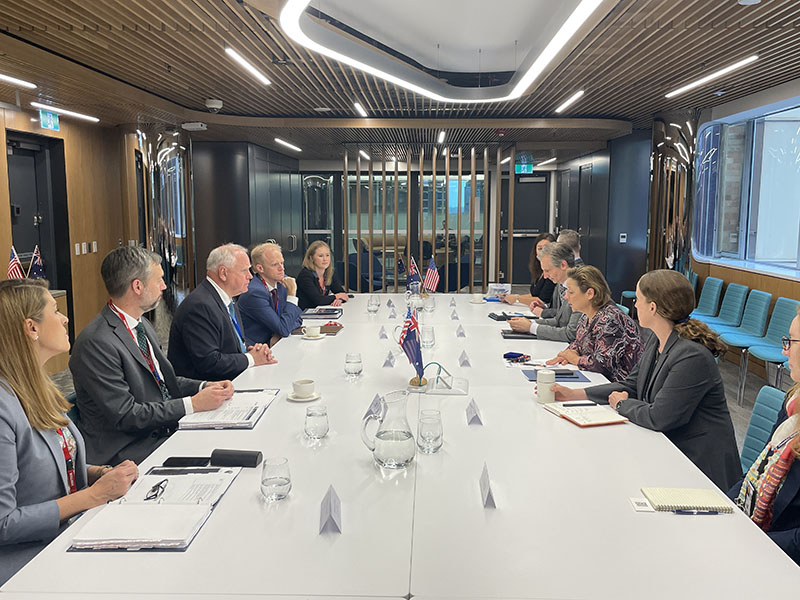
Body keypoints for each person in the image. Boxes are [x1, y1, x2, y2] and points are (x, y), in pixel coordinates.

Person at [0, 279, 138, 585]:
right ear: (31, 328)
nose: (65, 318)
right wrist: (94, 495)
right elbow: (3, 524)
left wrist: (98, 474)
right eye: (56, 310)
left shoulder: (37, 387)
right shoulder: (3, 407)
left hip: (69, 535)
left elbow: (42, 469)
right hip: (28, 565)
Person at [552, 269, 740, 491]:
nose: (635, 306)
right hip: (667, 448)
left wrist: (621, 404)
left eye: (639, 301)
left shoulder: (692, 356)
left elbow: (660, 416)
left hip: (698, 468)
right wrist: (575, 394)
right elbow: (632, 385)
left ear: (653, 307)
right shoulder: (658, 340)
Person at [70, 247, 234, 465]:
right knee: (220, 457)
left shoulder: (141, 324)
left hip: (158, 430)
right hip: (127, 449)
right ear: (137, 286)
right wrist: (192, 404)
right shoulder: (96, 343)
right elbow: (126, 415)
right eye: (159, 280)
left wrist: (203, 386)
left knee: (229, 441)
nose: (165, 287)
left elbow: (164, 382)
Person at [728, 304, 800, 564]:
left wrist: (750, 543)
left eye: (790, 342)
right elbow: (758, 469)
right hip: (760, 536)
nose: (784, 350)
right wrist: (726, 509)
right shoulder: (793, 401)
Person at [169, 244, 276, 381]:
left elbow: (229, 346)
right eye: (244, 271)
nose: (250, 276)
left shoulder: (227, 298)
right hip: (208, 391)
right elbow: (209, 362)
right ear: (223, 273)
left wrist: (252, 351)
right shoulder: (200, 306)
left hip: (231, 380)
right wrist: (251, 358)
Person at [546, 265, 643, 382]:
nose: (566, 297)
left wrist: (575, 359)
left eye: (571, 292)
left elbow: (602, 365)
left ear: (590, 293)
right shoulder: (586, 315)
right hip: (596, 381)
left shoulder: (610, 319)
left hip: (617, 389)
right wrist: (569, 353)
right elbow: (579, 342)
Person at [508, 242, 580, 342]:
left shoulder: (580, 287)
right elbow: (558, 321)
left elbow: (571, 333)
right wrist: (529, 323)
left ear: (563, 265)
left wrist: (531, 328)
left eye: (547, 270)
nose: (545, 276)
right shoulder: (561, 284)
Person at [238, 242, 302, 346]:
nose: (282, 268)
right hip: (257, 349)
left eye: (282, 263)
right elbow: (284, 328)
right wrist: (292, 295)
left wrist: (280, 331)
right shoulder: (254, 292)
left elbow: (298, 318)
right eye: (275, 264)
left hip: (277, 343)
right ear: (260, 269)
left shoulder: (282, 283)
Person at [501, 232, 556, 307]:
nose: (543, 252)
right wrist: (510, 297)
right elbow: (534, 294)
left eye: (546, 248)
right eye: (540, 248)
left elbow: (542, 300)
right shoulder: (538, 269)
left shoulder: (554, 272)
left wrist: (517, 299)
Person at [297, 240, 348, 311]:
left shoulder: (329, 273)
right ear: (311, 258)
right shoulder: (305, 275)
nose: (325, 259)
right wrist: (337, 296)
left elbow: (342, 293)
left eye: (327, 255)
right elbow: (318, 300)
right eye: (320, 256)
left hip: (320, 313)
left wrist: (339, 299)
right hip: (304, 315)